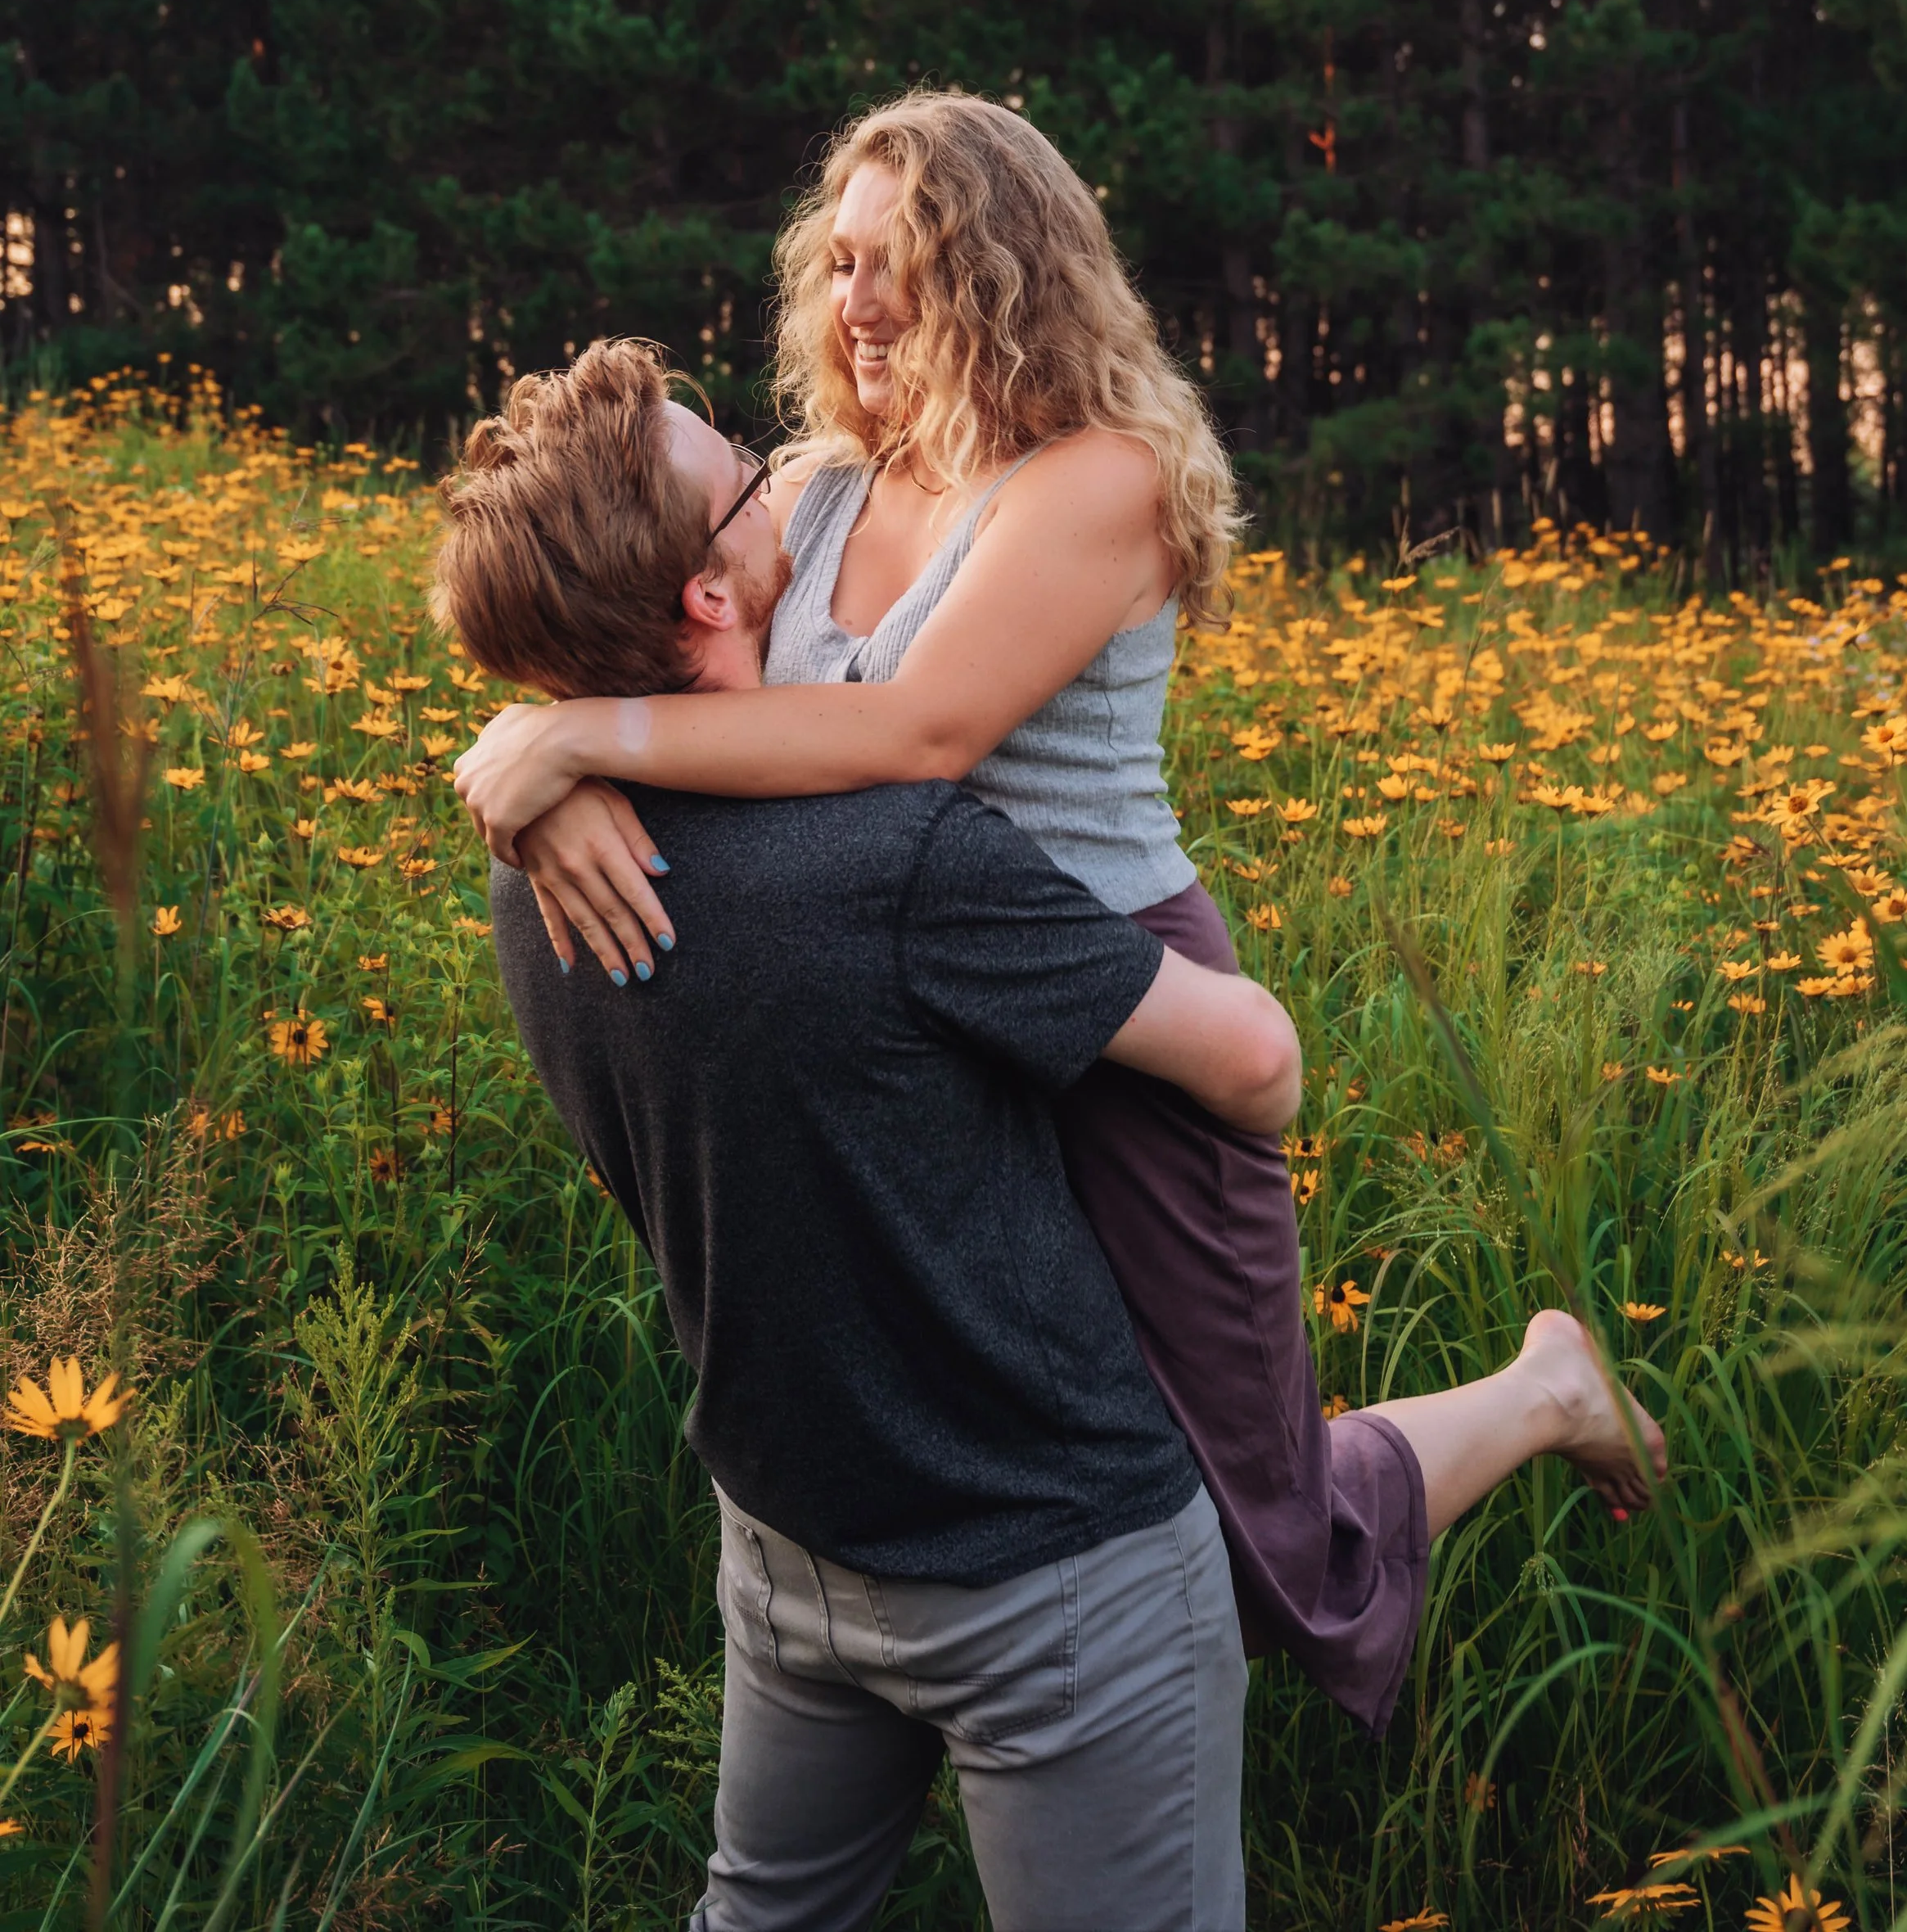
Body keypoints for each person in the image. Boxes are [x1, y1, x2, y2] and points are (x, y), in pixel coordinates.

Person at [453, 97, 1667, 1740]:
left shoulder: (1093, 487)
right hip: (933, 1027)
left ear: (1011, 276)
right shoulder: (809, 493)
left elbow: (914, 740)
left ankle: (1540, 1390)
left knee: (1249, 1546)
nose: (857, 297)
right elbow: (647, 634)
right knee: (1076, 1494)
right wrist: (545, 772)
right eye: (841, 259)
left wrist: (581, 745)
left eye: (907, 262)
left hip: (1129, 1024)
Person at [437, 347, 1296, 1928]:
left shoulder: (534, 866)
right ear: (710, 596)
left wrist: (549, 746)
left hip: (787, 1549)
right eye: (751, 484)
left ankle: (1528, 1396)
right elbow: (1259, 1065)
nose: (787, 481)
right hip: (1050, 1560)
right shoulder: (891, 862)